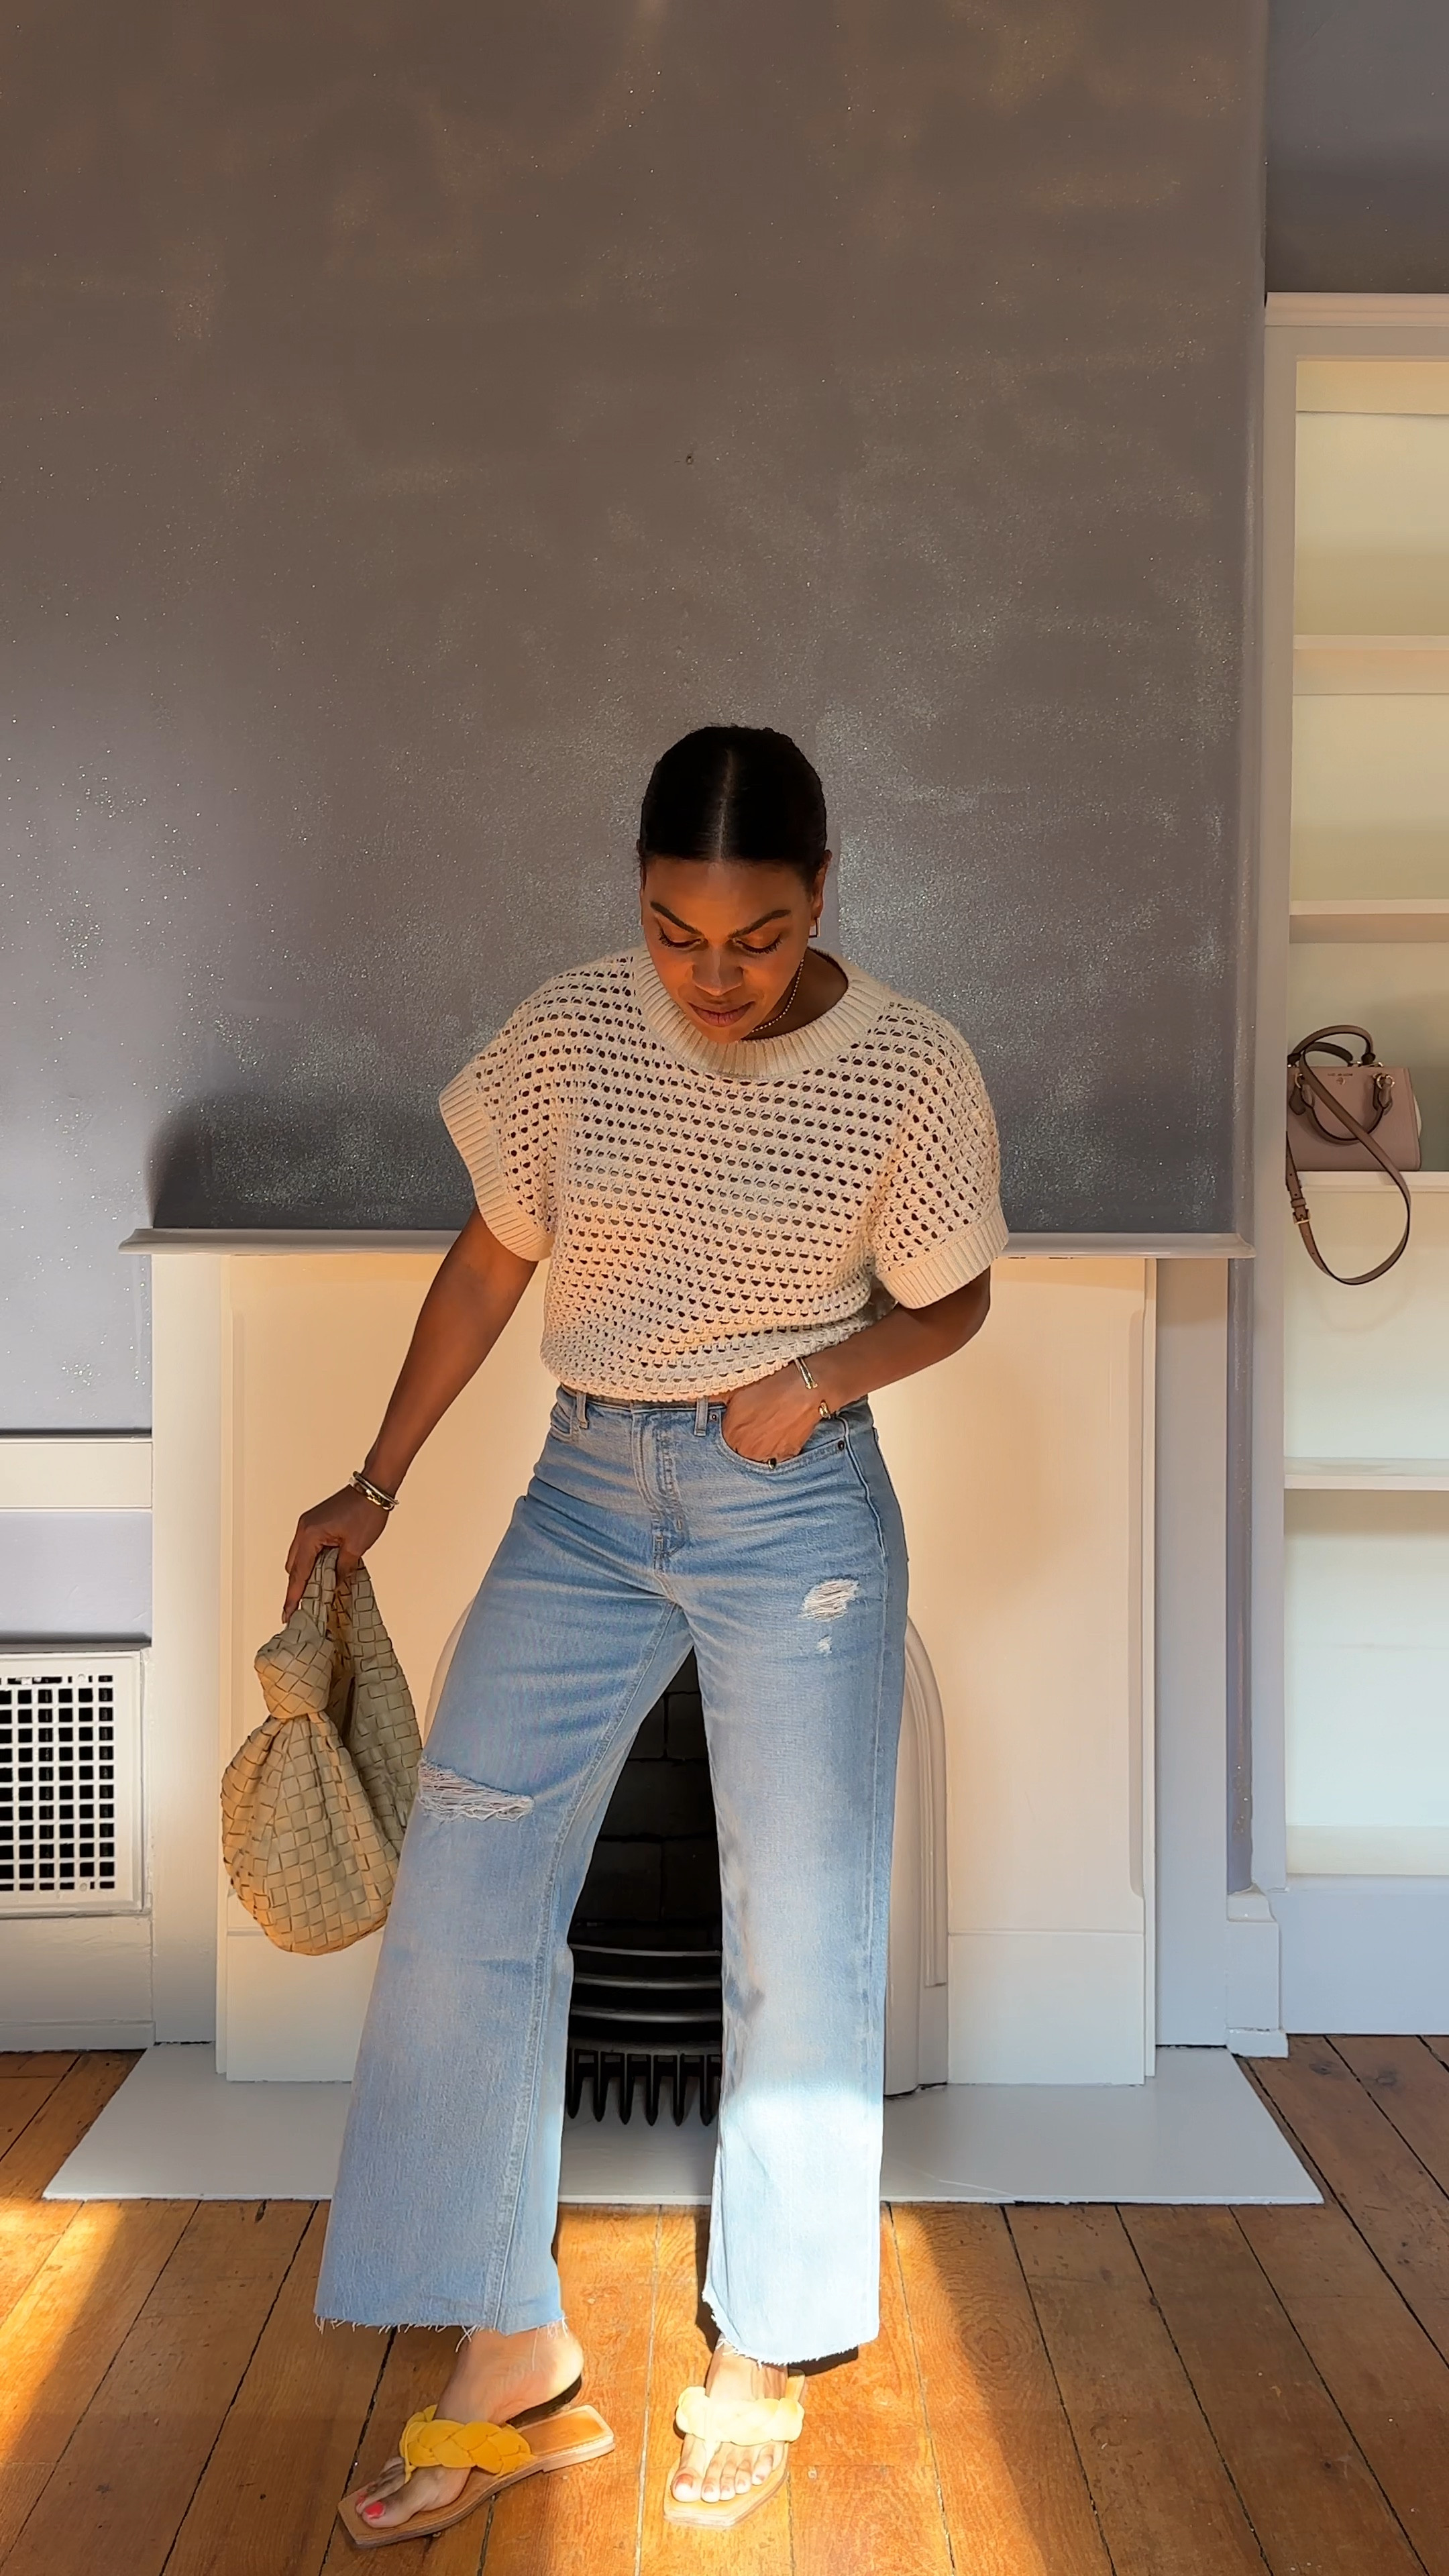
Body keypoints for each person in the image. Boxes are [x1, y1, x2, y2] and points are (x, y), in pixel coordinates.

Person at [286, 724, 1006, 2544]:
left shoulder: (909, 1068)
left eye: (754, 936)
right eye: (676, 931)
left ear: (822, 892)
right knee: (468, 1890)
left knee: (810, 1924)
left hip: (799, 1510)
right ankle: (510, 2354)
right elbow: (490, 1260)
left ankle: (762, 2350)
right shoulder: (573, 1033)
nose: (711, 975)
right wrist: (375, 1478)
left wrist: (825, 1374)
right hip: (584, 1493)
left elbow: (959, 1292)